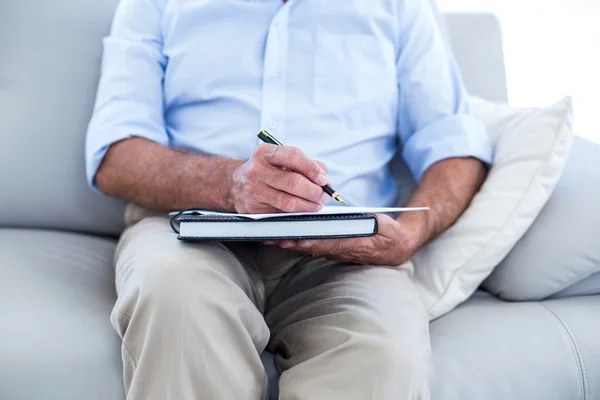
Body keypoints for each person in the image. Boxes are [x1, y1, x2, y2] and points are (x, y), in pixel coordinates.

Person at [86, 0, 493, 398]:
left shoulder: (400, 7)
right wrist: (228, 182)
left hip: (347, 255)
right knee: (173, 294)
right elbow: (115, 157)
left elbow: (454, 147)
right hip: (190, 233)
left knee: (382, 349)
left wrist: (408, 235)